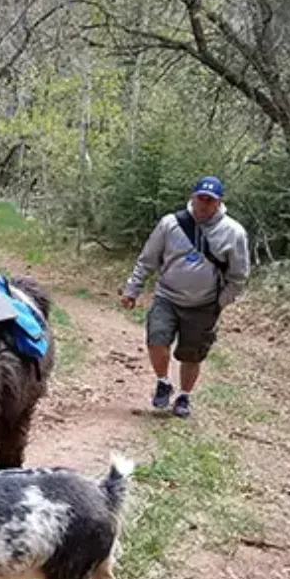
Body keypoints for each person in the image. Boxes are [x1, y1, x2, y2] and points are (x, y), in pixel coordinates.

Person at [120, 176, 250, 418]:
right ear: (192, 197)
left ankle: (184, 397)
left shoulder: (234, 233)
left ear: (219, 202)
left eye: (210, 201)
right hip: (167, 296)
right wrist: (132, 290)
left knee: (192, 354)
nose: (204, 204)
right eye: (200, 198)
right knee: (156, 339)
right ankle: (163, 382)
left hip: (204, 305)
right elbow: (147, 259)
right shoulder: (170, 224)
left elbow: (239, 275)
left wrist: (220, 303)